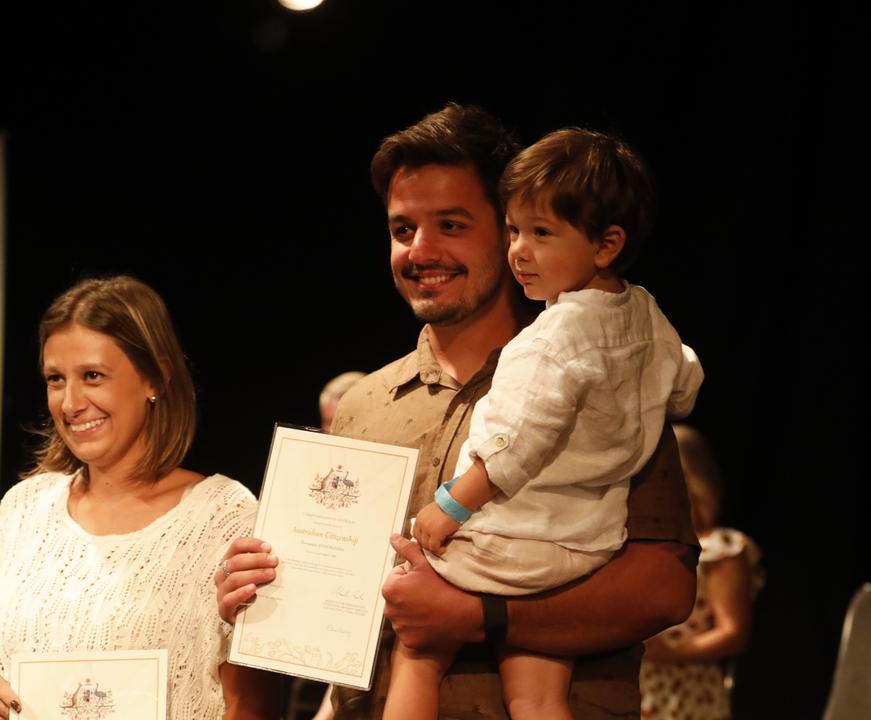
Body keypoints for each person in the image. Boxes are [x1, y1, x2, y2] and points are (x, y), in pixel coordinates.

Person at [216, 103, 701, 719]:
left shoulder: (600, 372)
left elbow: (664, 587)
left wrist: (481, 618)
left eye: (451, 224)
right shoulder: (363, 404)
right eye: (401, 230)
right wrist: (266, 592)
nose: (421, 250)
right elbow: (348, 616)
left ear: (510, 230)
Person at [393, 128, 704, 719]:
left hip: (514, 543)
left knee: (417, 627)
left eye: (540, 233)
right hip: (586, 543)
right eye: (515, 231)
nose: (520, 251)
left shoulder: (548, 342)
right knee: (537, 698)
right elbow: (684, 379)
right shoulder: (645, 314)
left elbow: (514, 445)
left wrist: (450, 508)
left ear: (607, 244)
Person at [0, 276, 281, 720]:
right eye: (55, 379)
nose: (70, 403)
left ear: (156, 377)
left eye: (92, 376)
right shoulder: (25, 508)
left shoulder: (225, 517)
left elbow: (255, 706)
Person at [639, 425, 763, 720]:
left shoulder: (720, 548)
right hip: (640, 683)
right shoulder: (646, 545)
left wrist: (670, 654)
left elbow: (732, 632)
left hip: (687, 691)